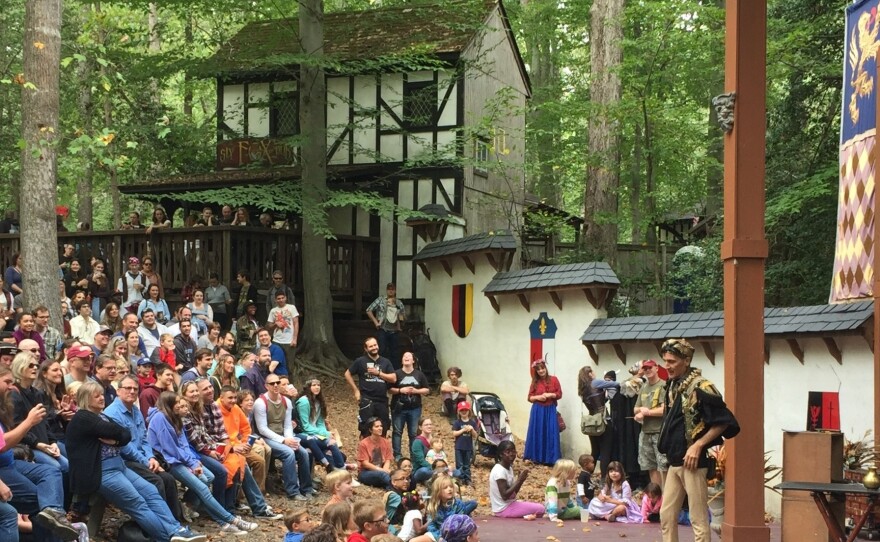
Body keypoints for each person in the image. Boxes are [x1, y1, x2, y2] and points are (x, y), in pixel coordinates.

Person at [66, 381, 205, 542]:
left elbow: (125, 435)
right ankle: (166, 537)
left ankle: (176, 529)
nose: (101, 398)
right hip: (102, 472)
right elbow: (117, 431)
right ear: (85, 399)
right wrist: (118, 437)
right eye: (96, 396)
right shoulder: (83, 417)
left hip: (119, 465)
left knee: (151, 491)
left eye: (101, 394)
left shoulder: (102, 416)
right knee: (138, 503)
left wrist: (116, 440)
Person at [657, 338, 739, 542]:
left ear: (686, 360)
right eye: (666, 361)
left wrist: (698, 445)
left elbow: (725, 422)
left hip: (694, 462)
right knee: (666, 515)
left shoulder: (702, 386)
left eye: (672, 361)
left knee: (698, 518)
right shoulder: (673, 385)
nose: (667, 366)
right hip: (675, 460)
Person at [147, 391, 259, 534]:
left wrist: (193, 462)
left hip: (182, 459)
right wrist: (190, 464)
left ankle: (188, 505)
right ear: (168, 405)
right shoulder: (159, 418)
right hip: (168, 462)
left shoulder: (176, 418)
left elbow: (184, 444)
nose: (180, 406)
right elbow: (171, 449)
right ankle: (229, 521)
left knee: (209, 477)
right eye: (176, 403)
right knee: (203, 489)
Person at [0, 365, 83, 542]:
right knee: (41, 504)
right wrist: (29, 422)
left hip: (11, 463)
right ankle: (55, 517)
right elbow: (3, 444)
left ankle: (55, 513)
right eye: (6, 382)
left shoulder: (4, 405)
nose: (11, 387)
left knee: (51, 471)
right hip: (3, 469)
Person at [104, 374, 186, 524]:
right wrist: (145, 461)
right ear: (118, 391)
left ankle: (175, 522)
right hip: (125, 461)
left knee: (168, 479)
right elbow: (124, 448)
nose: (132, 391)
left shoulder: (135, 411)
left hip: (142, 458)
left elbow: (143, 439)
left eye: (135, 388)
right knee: (156, 481)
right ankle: (159, 524)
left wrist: (151, 457)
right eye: (127, 388)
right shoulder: (112, 414)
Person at [252, 373, 315, 500]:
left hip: (283, 436)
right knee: (288, 453)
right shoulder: (260, 403)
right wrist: (283, 441)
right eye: (272, 383)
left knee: (302, 452)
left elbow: (287, 425)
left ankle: (306, 488)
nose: (275, 385)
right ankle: (292, 491)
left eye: (277, 383)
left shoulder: (286, 401)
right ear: (266, 386)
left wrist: (289, 439)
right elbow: (262, 429)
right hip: (266, 438)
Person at [9, 353, 69, 473]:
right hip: (27, 445)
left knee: (68, 464)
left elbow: (44, 421)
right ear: (19, 367)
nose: (35, 368)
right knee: (56, 467)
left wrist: (52, 442)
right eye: (30, 365)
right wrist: (37, 443)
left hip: (44, 442)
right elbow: (16, 426)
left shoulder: (37, 393)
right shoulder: (13, 394)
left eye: (36, 365)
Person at [345, 337, 396, 437]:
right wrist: (356, 390)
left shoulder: (385, 362)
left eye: (375, 345)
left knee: (383, 428)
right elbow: (347, 374)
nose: (374, 348)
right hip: (366, 400)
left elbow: (393, 378)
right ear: (366, 349)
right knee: (365, 429)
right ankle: (365, 451)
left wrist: (379, 373)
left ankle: (380, 451)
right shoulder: (360, 361)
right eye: (371, 346)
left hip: (382, 400)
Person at [296, 375, 347, 470]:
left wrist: (325, 433)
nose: (317, 387)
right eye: (314, 385)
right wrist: (325, 433)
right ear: (308, 387)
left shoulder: (318, 402)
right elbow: (305, 426)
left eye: (318, 385)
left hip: (316, 434)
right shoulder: (304, 402)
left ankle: (339, 471)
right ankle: (341, 469)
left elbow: (320, 423)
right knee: (330, 443)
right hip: (305, 434)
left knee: (331, 445)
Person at [577, 366, 620, 474]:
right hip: (603, 421)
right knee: (606, 451)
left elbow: (596, 401)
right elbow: (615, 384)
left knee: (595, 451)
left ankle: (586, 475)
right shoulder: (595, 383)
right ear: (590, 374)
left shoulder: (582, 389)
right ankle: (603, 479)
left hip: (591, 422)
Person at [410, 475, 476, 542]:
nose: (449, 489)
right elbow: (431, 525)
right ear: (438, 491)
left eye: (451, 486)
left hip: (455, 535)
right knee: (413, 541)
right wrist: (439, 537)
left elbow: (461, 525)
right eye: (445, 488)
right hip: (437, 534)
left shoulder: (458, 504)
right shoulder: (433, 505)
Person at [633, 358, 668, 487]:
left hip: (660, 432)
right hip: (645, 432)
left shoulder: (664, 386)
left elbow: (665, 409)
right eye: (645, 368)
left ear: (657, 368)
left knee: (663, 466)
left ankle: (666, 498)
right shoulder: (643, 387)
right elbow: (636, 408)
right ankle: (657, 497)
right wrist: (640, 411)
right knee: (650, 466)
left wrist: (647, 412)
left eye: (650, 368)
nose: (648, 370)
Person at [488, 441, 545, 519]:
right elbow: (504, 496)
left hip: (510, 504)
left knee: (538, 508)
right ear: (501, 454)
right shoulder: (499, 470)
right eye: (508, 452)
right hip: (503, 509)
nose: (512, 454)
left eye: (513, 451)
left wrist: (521, 481)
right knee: (540, 509)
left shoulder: (509, 468)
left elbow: (513, 494)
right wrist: (519, 480)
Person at [389, 351, 429, 461]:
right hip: (398, 408)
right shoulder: (396, 374)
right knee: (397, 432)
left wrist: (416, 391)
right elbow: (389, 389)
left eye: (409, 356)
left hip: (415, 408)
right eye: (404, 356)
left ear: (413, 360)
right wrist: (400, 390)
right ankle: (397, 455)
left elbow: (427, 389)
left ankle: (413, 454)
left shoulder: (419, 374)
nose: (406, 358)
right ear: (402, 360)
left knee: (413, 433)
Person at [523, 358, 562, 465]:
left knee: (551, 431)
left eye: (542, 368)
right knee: (537, 430)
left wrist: (550, 395)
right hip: (538, 410)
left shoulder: (554, 379)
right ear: (536, 371)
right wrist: (539, 397)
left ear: (545, 368)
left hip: (550, 409)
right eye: (538, 369)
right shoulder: (535, 382)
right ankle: (535, 457)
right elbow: (529, 397)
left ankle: (551, 458)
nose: (541, 371)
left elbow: (559, 394)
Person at [365, 283, 405, 367]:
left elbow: (403, 315)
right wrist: (375, 322)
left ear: (395, 291)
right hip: (382, 329)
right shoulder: (380, 300)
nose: (391, 291)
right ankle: (380, 369)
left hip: (394, 330)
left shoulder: (399, 302)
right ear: (386, 290)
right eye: (389, 289)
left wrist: (400, 318)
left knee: (394, 352)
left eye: (392, 289)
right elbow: (369, 310)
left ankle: (394, 371)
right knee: (381, 350)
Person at [357, 416, 394, 488]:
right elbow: (365, 464)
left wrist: (385, 469)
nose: (380, 428)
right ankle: (396, 488)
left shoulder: (386, 442)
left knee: (397, 474)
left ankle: (393, 489)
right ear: (371, 430)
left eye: (381, 426)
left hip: (382, 470)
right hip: (366, 472)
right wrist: (382, 470)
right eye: (377, 426)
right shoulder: (364, 443)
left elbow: (388, 459)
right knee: (383, 475)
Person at [267, 291, 299, 374]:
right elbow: (269, 326)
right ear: (275, 300)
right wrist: (275, 324)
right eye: (278, 299)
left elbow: (296, 323)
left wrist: (294, 339)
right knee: (275, 362)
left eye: (282, 298)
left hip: (289, 341)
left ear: (285, 298)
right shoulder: (273, 311)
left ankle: (289, 383)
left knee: (289, 365)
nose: (281, 300)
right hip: (276, 341)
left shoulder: (291, 308)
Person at [451, 402, 477, 485]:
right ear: (459, 411)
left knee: (467, 465)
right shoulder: (457, 422)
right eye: (462, 410)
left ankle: (468, 479)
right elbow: (454, 433)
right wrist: (463, 430)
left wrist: (472, 429)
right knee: (459, 464)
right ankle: (460, 479)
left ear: (469, 411)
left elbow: (475, 435)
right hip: (459, 447)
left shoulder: (472, 423)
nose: (464, 412)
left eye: (466, 410)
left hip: (468, 447)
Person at [410, 418, 435, 484]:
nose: (429, 426)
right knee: (424, 471)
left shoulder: (435, 440)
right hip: (421, 469)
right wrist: (434, 468)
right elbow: (420, 460)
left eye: (430, 424)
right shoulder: (417, 442)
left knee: (456, 472)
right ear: (420, 427)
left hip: (436, 466)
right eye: (426, 425)